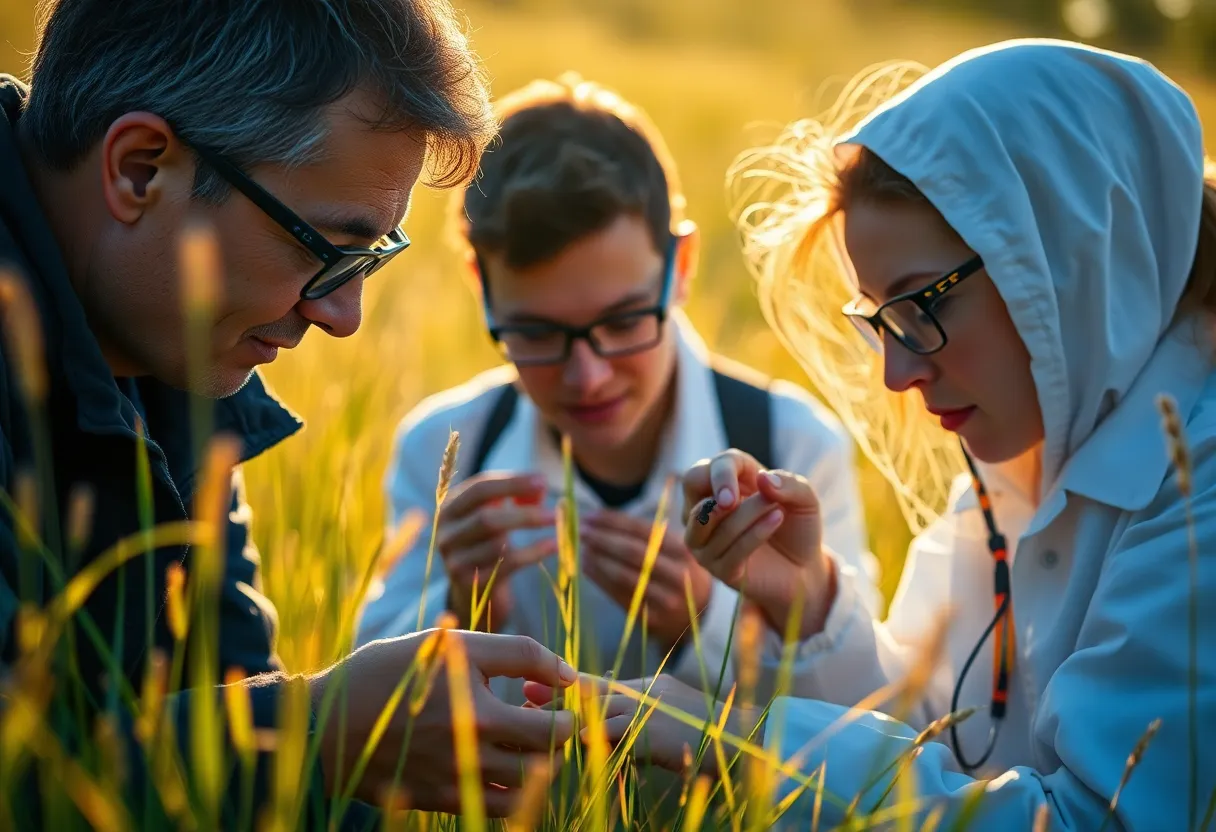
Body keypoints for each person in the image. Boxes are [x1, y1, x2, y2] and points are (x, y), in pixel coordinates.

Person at [527, 40, 1216, 830]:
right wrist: (809, 603)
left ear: (1070, 256)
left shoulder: (1203, 487)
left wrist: (737, 741)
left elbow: (1092, 819)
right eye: (879, 320)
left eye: (922, 303)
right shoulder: (1019, 464)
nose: (895, 372)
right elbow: (941, 737)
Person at [0, 1, 576, 826]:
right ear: (138, 170)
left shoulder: (170, 357)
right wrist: (308, 734)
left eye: (373, 259)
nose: (342, 317)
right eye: (327, 250)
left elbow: (225, 704)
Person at [355, 74, 878, 698]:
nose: (587, 376)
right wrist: (463, 610)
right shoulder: (444, 448)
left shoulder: (791, 447)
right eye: (536, 332)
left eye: (625, 321)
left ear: (680, 269)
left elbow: (865, 722)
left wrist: (705, 623)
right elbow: (370, 716)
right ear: (480, 283)